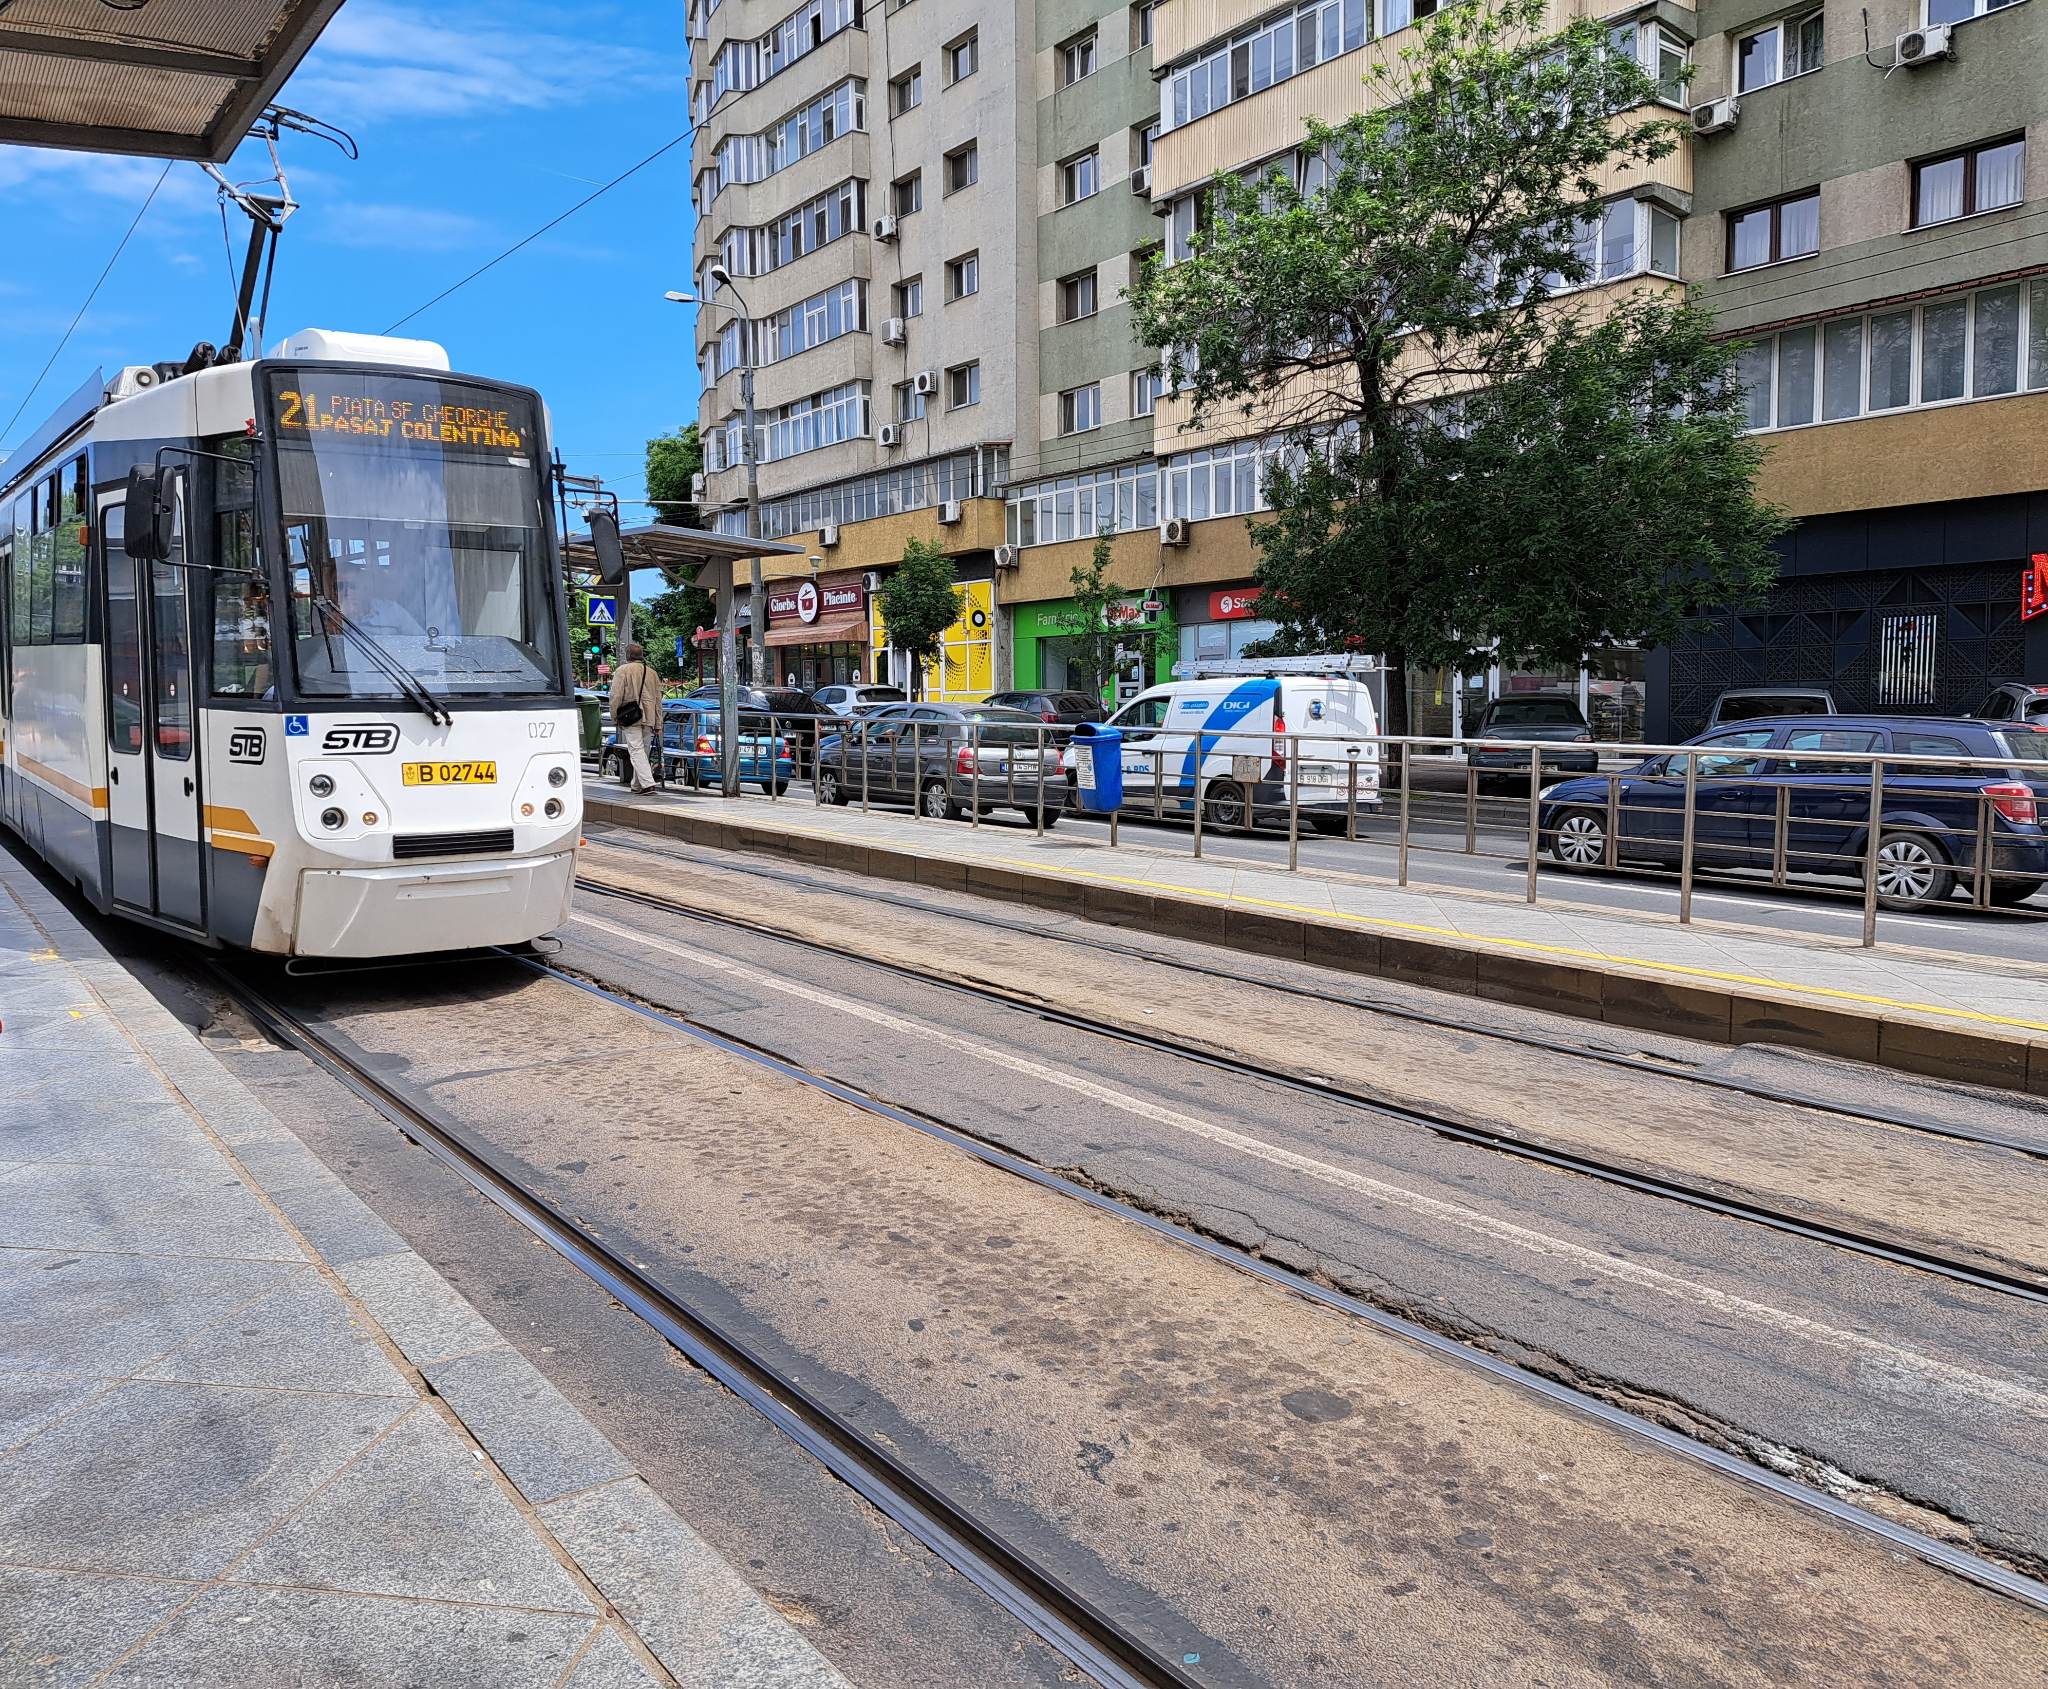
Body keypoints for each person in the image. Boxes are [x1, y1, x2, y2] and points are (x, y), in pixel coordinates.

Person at [609, 642, 665, 795]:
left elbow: (616, 696)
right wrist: (658, 722)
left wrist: (614, 715)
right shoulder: (652, 673)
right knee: (643, 751)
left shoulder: (622, 671)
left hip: (630, 716)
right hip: (649, 716)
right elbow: (658, 699)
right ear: (641, 655)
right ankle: (637, 784)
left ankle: (648, 783)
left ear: (628, 656)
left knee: (636, 750)